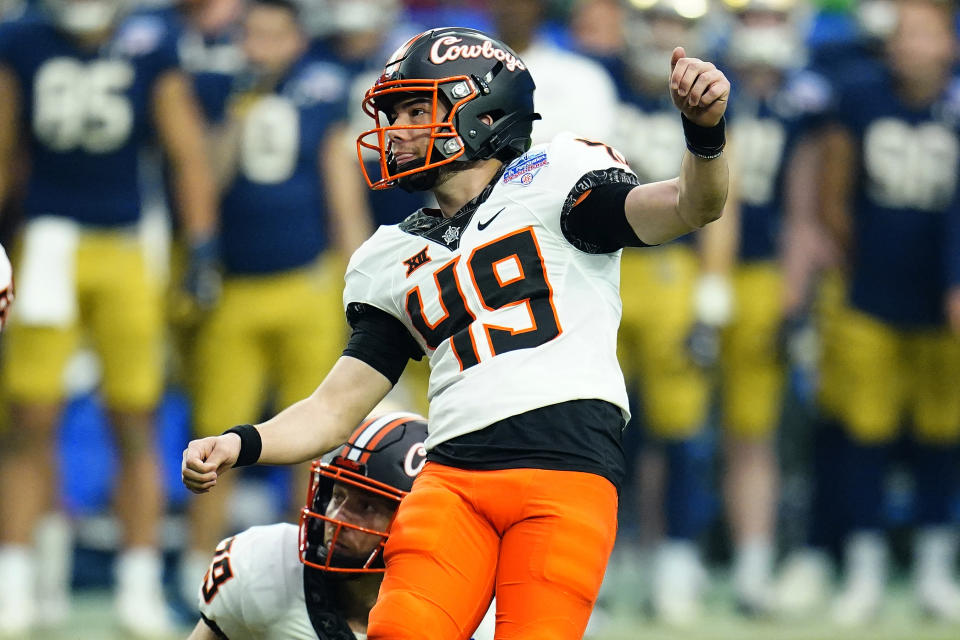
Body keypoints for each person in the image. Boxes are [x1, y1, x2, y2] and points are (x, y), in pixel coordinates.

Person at [183, 26, 729, 639]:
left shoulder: (558, 176)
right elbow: (336, 407)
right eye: (395, 112)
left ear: (482, 108)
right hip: (451, 476)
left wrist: (704, 137)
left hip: (564, 472)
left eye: (418, 109)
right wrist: (242, 442)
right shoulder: (387, 255)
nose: (401, 128)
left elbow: (690, 206)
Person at [0, 0, 217, 634]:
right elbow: (6, 142)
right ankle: (17, 578)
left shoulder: (152, 41)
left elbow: (185, 148)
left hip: (129, 242)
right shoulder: (24, 38)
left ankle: (138, 580)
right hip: (47, 239)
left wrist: (200, 240)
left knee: (134, 415)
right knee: (30, 416)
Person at [178, 0, 372, 602]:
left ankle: (304, 567)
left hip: (305, 282)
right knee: (216, 433)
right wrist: (239, 107)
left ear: (295, 39)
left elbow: (338, 185)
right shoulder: (215, 88)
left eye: (272, 34)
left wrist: (359, 276)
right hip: (235, 284)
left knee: (311, 435)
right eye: (252, 34)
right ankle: (195, 571)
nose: (260, 45)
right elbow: (203, 176)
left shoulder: (322, 88)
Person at [815, 0, 960, 624]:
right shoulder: (860, 95)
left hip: (944, 299)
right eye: (903, 34)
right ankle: (865, 571)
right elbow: (834, 194)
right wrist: (856, 258)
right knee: (865, 437)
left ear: (950, 45)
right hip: (871, 291)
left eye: (924, 34)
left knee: (941, 438)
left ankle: (934, 571)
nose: (912, 47)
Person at [187, 412, 495, 640]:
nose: (338, 518)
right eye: (338, 495)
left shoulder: (476, 617)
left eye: (367, 507)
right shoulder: (267, 568)